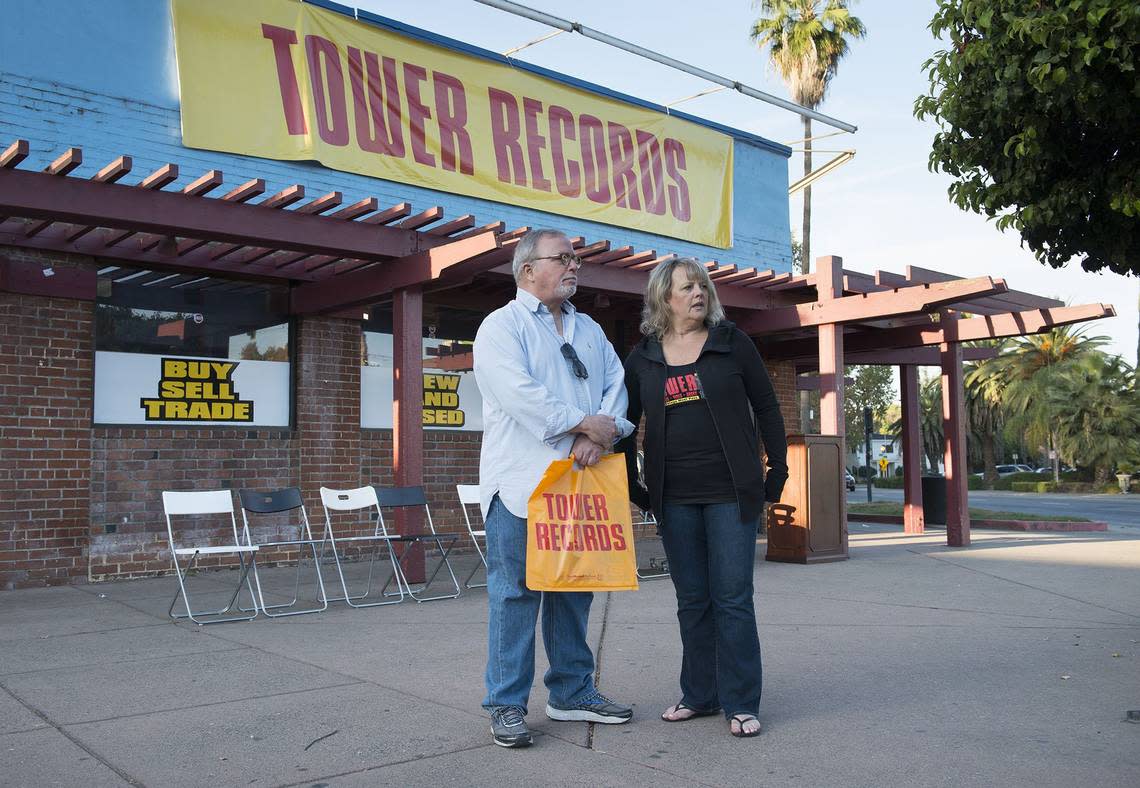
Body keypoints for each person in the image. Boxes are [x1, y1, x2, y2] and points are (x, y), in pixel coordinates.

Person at [473, 229, 636, 749]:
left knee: (575, 592)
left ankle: (571, 692)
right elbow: (521, 397)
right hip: (521, 484)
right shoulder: (501, 327)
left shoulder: (590, 329)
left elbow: (617, 385)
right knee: (515, 596)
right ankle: (505, 704)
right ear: (526, 270)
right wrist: (583, 427)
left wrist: (601, 433)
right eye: (562, 258)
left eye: (575, 259)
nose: (574, 266)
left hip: (580, 481)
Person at [616, 256, 788, 739]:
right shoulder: (644, 358)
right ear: (663, 299)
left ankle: (741, 701)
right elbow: (625, 427)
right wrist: (633, 484)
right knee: (692, 600)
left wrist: (778, 470)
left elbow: (768, 407)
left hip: (731, 491)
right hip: (673, 496)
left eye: (702, 286)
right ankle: (699, 694)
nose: (699, 294)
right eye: (687, 288)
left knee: (732, 598)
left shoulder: (732, 344)